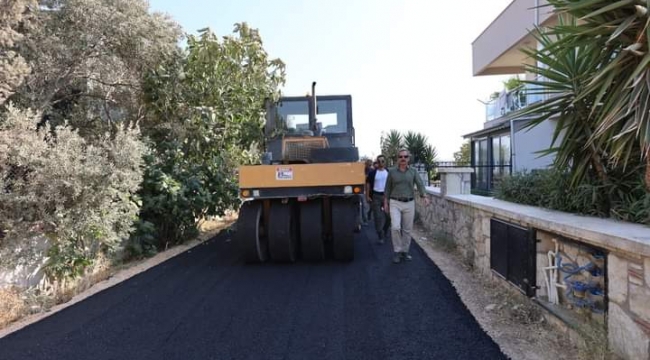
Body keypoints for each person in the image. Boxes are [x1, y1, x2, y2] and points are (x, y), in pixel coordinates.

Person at [384, 149, 430, 264]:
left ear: (408, 158)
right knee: (395, 227)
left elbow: (420, 184)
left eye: (405, 156)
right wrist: (385, 203)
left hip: (409, 203)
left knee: (407, 229)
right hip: (395, 202)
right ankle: (397, 251)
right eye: (400, 157)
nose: (403, 159)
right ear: (397, 159)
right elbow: (387, 188)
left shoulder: (413, 171)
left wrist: (424, 196)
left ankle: (405, 251)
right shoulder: (392, 172)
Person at [366, 155, 390, 244]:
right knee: (377, 217)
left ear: (385, 162)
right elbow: (368, 184)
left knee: (389, 217)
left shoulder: (388, 172)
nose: (381, 163)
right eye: (379, 161)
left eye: (382, 161)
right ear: (377, 162)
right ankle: (380, 235)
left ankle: (385, 229)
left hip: (386, 196)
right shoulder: (373, 173)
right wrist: (367, 196)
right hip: (376, 196)